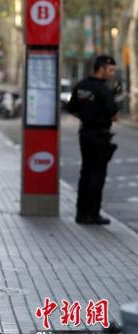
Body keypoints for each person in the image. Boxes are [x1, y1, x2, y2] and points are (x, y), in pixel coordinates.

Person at [68, 55, 119, 225]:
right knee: (98, 175)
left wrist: (87, 116)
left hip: (85, 134)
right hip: (100, 136)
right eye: (110, 70)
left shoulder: (81, 86)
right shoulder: (103, 90)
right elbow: (115, 116)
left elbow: (72, 109)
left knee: (85, 173)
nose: (112, 73)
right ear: (101, 69)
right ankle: (93, 214)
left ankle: (81, 213)